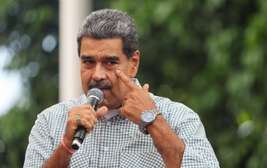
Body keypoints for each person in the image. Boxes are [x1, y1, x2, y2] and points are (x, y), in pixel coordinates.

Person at [23, 9, 219, 168]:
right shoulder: (50, 122)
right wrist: (65, 147)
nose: (97, 74)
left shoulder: (179, 118)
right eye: (88, 62)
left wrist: (153, 120)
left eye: (110, 62)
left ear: (133, 63)